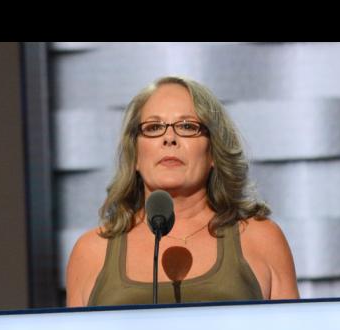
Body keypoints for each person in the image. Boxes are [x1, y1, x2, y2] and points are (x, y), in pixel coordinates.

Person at [66, 76, 300, 307]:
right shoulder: (91, 252)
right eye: (154, 127)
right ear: (135, 154)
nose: (169, 138)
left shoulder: (260, 238)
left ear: (213, 152)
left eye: (187, 126)